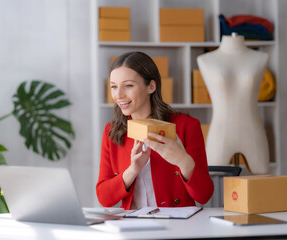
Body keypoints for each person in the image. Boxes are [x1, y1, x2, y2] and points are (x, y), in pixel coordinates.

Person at [96, 51, 214, 210]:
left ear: (151, 86)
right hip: (133, 228)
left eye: (128, 85)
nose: (118, 95)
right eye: (114, 87)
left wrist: (183, 161)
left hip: (178, 226)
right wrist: (133, 170)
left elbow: (204, 195)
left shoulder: (186, 126)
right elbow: (104, 198)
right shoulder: (112, 131)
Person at [197, 33, 269, 173]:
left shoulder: (260, 58)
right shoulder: (205, 60)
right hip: (220, 134)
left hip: (253, 133)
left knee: (262, 186)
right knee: (215, 189)